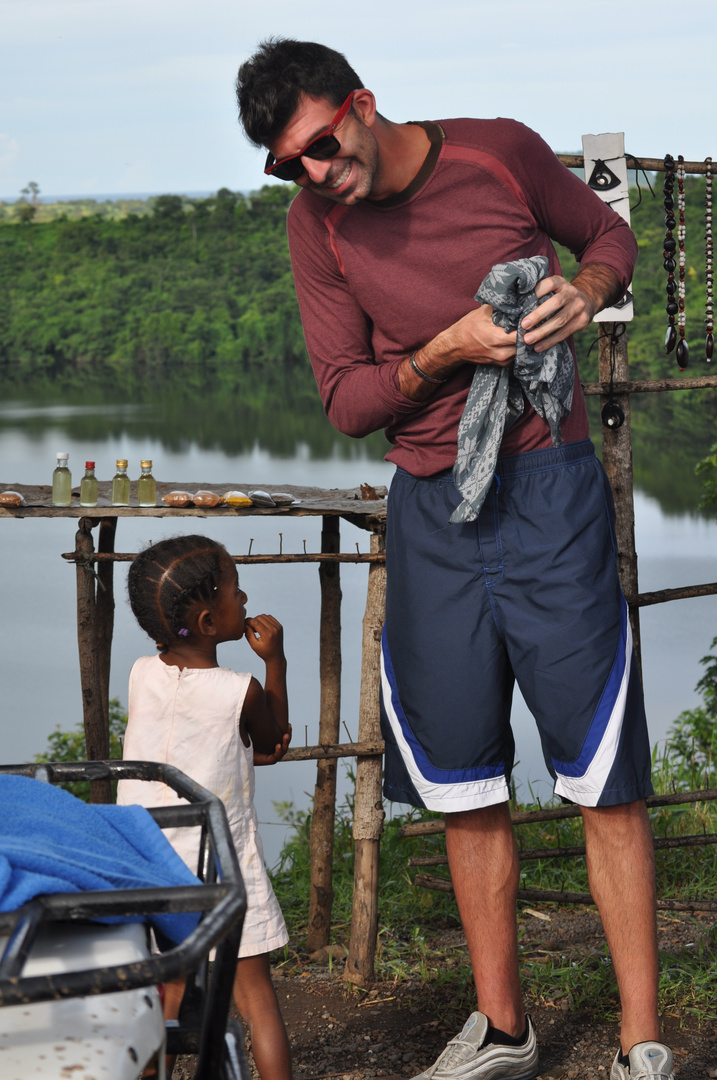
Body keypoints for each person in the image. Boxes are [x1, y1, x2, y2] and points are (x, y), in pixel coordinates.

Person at [235, 39, 674, 1080]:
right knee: (465, 782)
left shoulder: (498, 154)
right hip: (432, 507)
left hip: (551, 488)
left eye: (322, 147)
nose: (314, 172)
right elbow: (347, 400)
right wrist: (447, 349)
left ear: (363, 105)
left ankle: (642, 1040)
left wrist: (592, 284)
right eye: (289, 163)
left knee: (605, 777)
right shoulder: (317, 224)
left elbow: (608, 230)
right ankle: (505, 1030)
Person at [117, 534, 292, 1080]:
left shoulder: (141, 675)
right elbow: (270, 741)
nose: (245, 600)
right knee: (256, 1000)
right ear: (210, 623)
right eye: (235, 592)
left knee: (160, 1000)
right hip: (220, 863)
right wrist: (276, 663)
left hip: (145, 863)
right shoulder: (240, 690)